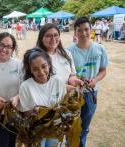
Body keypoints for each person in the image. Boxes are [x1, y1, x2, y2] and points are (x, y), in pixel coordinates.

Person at [68, 16, 109, 147]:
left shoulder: (100, 49)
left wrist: (95, 80)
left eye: (86, 29)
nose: (83, 33)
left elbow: (103, 70)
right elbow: (66, 74)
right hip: (73, 95)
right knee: (70, 127)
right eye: (79, 30)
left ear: (91, 30)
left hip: (91, 95)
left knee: (84, 128)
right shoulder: (69, 51)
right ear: (75, 32)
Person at [18, 48, 66, 147]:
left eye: (44, 66)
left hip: (55, 129)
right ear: (30, 70)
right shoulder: (25, 86)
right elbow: (27, 113)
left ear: (49, 64)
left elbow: (63, 106)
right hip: (36, 131)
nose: (41, 72)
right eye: (35, 69)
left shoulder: (58, 81)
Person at [36, 23, 83, 91]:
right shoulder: (36, 58)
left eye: (56, 35)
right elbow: (36, 83)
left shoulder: (66, 53)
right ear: (41, 38)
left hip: (66, 98)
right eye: (48, 36)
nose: (53, 39)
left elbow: (72, 74)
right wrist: (62, 87)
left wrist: (73, 80)